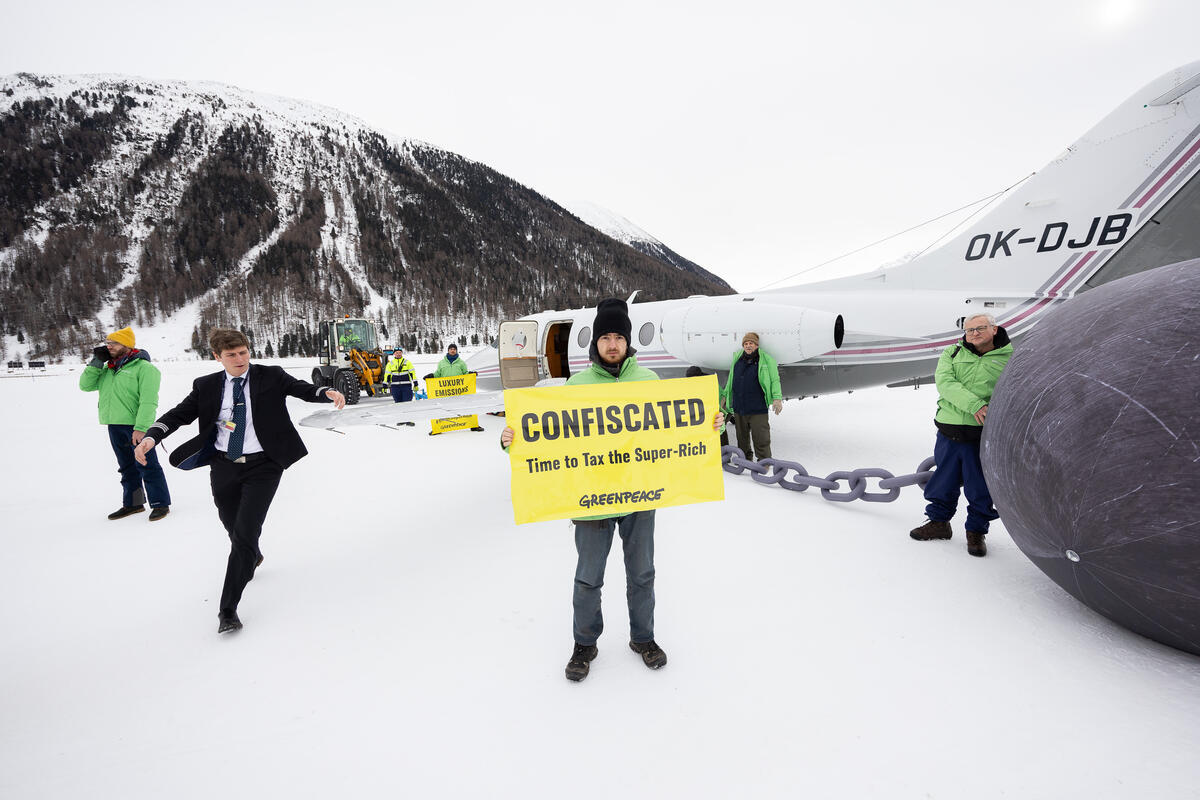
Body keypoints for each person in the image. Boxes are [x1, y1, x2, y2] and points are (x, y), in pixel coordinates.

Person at [500, 298, 724, 682]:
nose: (612, 343)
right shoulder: (577, 385)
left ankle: (643, 638)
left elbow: (676, 429)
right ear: (596, 344)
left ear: (628, 341)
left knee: (643, 573)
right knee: (588, 578)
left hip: (640, 496)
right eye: (605, 336)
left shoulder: (649, 382)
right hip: (592, 499)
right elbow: (553, 440)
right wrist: (512, 441)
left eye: (619, 336)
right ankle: (584, 644)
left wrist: (709, 426)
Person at [134, 328, 345, 634]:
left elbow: (301, 389)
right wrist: (152, 436)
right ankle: (252, 555)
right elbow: (179, 414)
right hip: (224, 466)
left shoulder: (270, 375)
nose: (239, 359)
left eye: (243, 352)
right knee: (230, 523)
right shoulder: (206, 386)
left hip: (265, 466)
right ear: (216, 357)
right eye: (231, 355)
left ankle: (228, 609)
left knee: (244, 535)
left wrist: (324, 392)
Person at [910, 313, 1013, 557]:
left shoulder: (1010, 358)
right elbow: (945, 383)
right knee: (943, 481)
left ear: (994, 329)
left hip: (981, 436)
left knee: (980, 487)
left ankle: (976, 532)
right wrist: (975, 404)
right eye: (969, 330)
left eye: (980, 328)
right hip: (949, 429)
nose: (974, 333)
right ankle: (939, 523)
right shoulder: (953, 353)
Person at [79, 326, 172, 522]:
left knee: (147, 464)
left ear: (127, 345)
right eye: (107, 343)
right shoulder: (106, 369)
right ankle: (133, 503)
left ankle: (160, 504)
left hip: (136, 426)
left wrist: (141, 428)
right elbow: (85, 386)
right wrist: (96, 361)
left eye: (114, 343)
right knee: (126, 466)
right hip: (114, 425)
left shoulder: (145, 369)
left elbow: (148, 401)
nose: (109, 346)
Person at [720, 332, 783, 461]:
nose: (748, 346)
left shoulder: (766, 360)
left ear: (756, 345)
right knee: (741, 438)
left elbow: (775, 380)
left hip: (757, 407)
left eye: (751, 343)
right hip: (739, 407)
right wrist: (725, 397)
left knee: (761, 437)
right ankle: (744, 459)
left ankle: (764, 461)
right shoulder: (737, 358)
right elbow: (731, 379)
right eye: (746, 343)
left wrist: (777, 398)